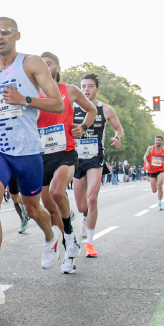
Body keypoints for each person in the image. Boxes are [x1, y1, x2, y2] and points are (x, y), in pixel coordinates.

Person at [0, 17, 65, 308]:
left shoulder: (31, 63)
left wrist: (24, 99)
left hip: (27, 148)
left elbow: (58, 103)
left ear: (17, 35)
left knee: (32, 206)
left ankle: (51, 236)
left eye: (5, 32)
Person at [36, 53, 96, 274]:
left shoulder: (69, 90)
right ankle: (67, 247)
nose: (44, 66)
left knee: (56, 191)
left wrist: (83, 127)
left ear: (57, 67)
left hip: (65, 152)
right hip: (40, 155)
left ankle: (70, 234)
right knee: (51, 210)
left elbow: (92, 110)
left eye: (48, 63)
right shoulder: (31, 94)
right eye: (40, 63)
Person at [71, 73, 124, 257]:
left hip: (96, 158)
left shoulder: (106, 109)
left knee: (92, 198)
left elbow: (119, 128)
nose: (86, 89)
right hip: (76, 159)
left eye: (90, 86)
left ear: (97, 89)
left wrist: (117, 137)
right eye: (83, 86)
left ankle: (90, 244)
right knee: (81, 206)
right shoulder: (71, 108)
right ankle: (84, 216)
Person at [143, 135, 164, 210]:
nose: (157, 141)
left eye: (159, 140)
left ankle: (159, 203)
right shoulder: (150, 148)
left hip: (160, 169)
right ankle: (155, 183)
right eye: (156, 140)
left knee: (160, 185)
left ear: (162, 141)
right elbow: (145, 157)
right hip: (152, 170)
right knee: (154, 190)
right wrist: (147, 163)